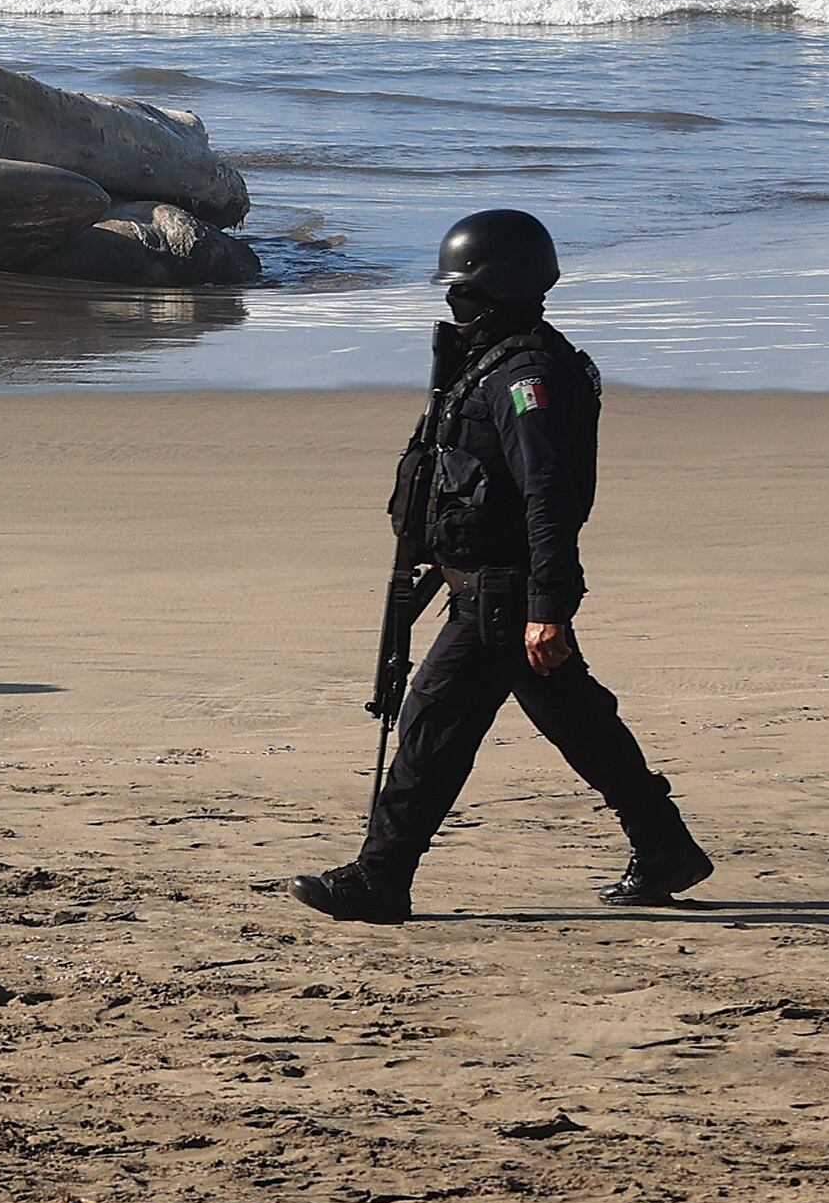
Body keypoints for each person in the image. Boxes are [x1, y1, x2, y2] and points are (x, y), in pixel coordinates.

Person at [295, 209, 711, 922]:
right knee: (577, 719)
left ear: (498, 291)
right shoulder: (493, 365)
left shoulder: (527, 376)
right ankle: (664, 845)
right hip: (485, 584)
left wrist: (548, 604)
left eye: (462, 292)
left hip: (504, 591)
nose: (453, 305)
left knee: (434, 718)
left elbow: (548, 495)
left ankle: (381, 875)